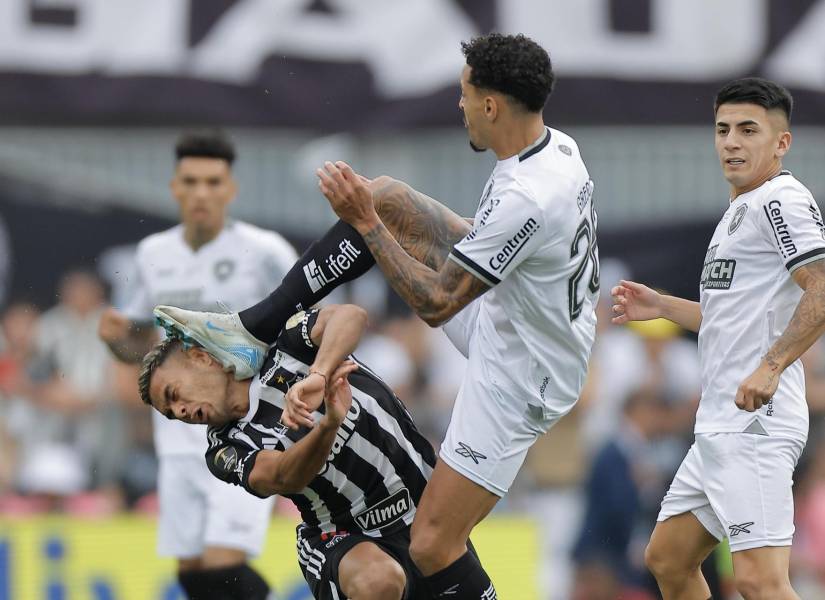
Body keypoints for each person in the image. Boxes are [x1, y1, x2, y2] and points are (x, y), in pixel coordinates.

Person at [155, 33, 598, 598]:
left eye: (464, 95)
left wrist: (366, 224)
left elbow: (437, 304)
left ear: (491, 104)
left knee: (433, 544)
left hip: (522, 371)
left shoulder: (527, 199)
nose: (458, 106)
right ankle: (255, 323)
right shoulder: (555, 149)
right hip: (519, 316)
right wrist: (375, 213)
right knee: (386, 195)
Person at [612, 78, 825, 600]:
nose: (731, 141)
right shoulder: (738, 212)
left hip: (756, 424)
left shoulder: (781, 199)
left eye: (748, 130)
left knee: (758, 580)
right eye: (723, 129)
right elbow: (733, 318)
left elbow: (822, 284)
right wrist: (663, 306)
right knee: (668, 558)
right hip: (718, 424)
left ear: (781, 143)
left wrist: (771, 366)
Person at [139, 302, 468, 599]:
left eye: (173, 394)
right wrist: (328, 425)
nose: (179, 411)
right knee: (378, 582)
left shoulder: (287, 347)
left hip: (425, 509)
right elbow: (283, 477)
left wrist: (319, 373)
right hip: (342, 537)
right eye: (170, 412)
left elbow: (351, 316)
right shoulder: (223, 448)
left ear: (200, 357)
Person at [98, 130, 296, 600]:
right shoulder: (153, 255)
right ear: (175, 188)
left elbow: (306, 319)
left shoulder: (265, 250)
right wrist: (115, 342)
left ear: (231, 190)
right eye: (191, 181)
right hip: (176, 436)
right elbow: (145, 354)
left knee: (223, 567)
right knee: (192, 575)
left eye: (213, 181)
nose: (202, 193)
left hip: (245, 429)